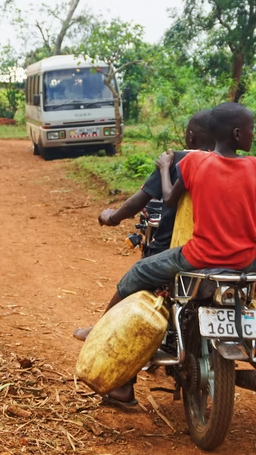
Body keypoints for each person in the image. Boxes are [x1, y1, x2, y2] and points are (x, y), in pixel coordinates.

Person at [84, 102, 256, 406]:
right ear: (237, 134)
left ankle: (105, 345)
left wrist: (165, 168)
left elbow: (166, 199)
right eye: (251, 129)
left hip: (197, 256)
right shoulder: (255, 166)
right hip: (245, 259)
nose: (252, 134)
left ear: (192, 137)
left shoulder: (191, 164)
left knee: (137, 278)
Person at [73, 109, 214, 342]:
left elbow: (138, 201)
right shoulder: (235, 163)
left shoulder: (179, 160)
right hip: (224, 250)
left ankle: (100, 330)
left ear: (190, 136)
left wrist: (112, 217)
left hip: (176, 249)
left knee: (136, 279)